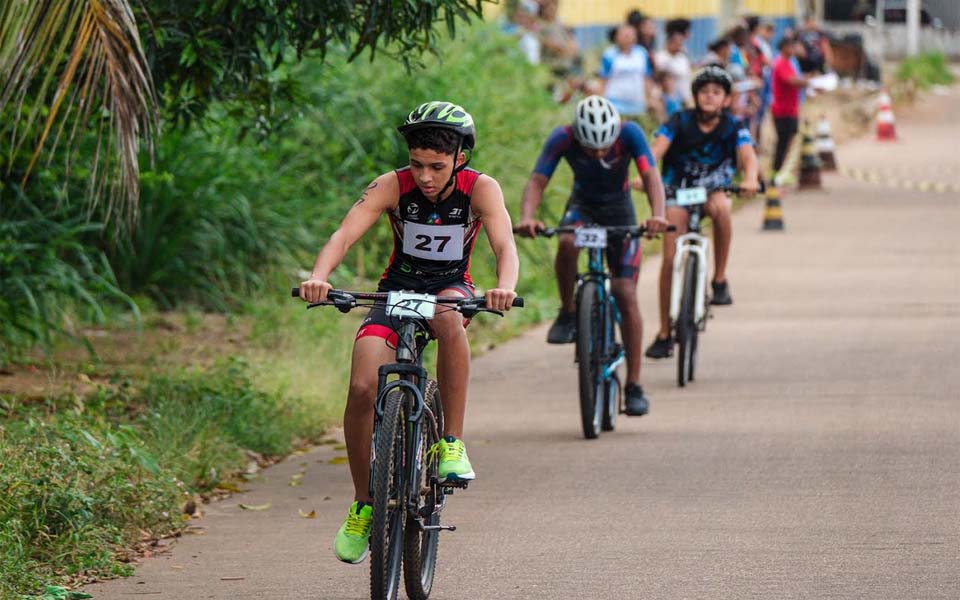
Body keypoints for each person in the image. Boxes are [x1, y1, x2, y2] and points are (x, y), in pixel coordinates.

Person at [298, 101, 520, 564]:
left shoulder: (481, 188)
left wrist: (504, 287)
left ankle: (451, 442)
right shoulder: (391, 185)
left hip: (451, 288)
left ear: (459, 158)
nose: (425, 177)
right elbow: (344, 235)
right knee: (362, 387)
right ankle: (364, 503)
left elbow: (504, 244)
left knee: (447, 316)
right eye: (417, 164)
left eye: (436, 167)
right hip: (396, 290)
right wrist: (319, 277)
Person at [516, 95, 668, 415]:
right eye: (590, 149)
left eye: (604, 147)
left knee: (625, 292)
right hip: (582, 208)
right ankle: (568, 311)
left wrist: (658, 215)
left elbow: (651, 177)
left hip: (620, 212)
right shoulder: (563, 137)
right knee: (567, 243)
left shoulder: (630, 134)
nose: (598, 154)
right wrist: (527, 217)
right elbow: (537, 180)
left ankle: (634, 385)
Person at [642, 67, 760, 359]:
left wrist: (750, 179)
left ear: (726, 99)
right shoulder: (678, 121)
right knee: (669, 258)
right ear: (695, 96)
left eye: (716, 92)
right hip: (677, 191)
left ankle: (719, 278)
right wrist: (645, 175)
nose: (709, 97)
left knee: (722, 208)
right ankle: (664, 332)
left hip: (714, 190)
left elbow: (748, 156)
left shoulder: (734, 126)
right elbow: (655, 151)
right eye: (704, 92)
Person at [770, 36, 809, 184]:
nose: (793, 49)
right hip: (782, 110)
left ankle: (783, 172)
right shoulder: (781, 63)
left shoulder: (789, 63)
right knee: (782, 143)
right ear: (784, 48)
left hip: (791, 109)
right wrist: (808, 82)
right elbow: (791, 80)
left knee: (789, 141)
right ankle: (776, 173)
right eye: (791, 46)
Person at [600, 24, 653, 119]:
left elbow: (646, 77)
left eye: (630, 35)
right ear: (617, 37)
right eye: (624, 35)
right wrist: (601, 100)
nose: (627, 38)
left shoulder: (641, 53)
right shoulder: (609, 54)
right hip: (615, 102)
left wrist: (649, 98)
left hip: (637, 102)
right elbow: (604, 79)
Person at [655, 29, 694, 107]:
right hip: (666, 98)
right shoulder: (660, 57)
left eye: (680, 43)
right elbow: (659, 75)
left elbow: (687, 76)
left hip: (684, 97)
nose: (679, 46)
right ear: (669, 43)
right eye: (676, 43)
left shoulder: (683, 58)